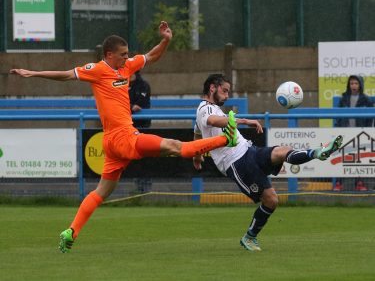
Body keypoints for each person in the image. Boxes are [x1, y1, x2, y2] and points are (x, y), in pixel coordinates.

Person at [10, 22, 238, 253]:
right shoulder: (98, 69)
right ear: (109, 55)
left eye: (127, 54)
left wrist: (166, 40)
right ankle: (225, 139)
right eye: (122, 54)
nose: (127, 58)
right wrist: (33, 73)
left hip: (112, 142)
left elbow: (151, 56)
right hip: (122, 137)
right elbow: (67, 75)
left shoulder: (127, 67)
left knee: (101, 192)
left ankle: (71, 232)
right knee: (176, 147)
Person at [193, 74, 343, 252]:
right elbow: (212, 121)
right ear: (212, 88)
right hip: (235, 163)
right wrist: (243, 120)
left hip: (248, 150)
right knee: (271, 200)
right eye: (224, 91)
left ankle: (318, 152)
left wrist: (196, 155)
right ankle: (249, 237)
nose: (226, 96)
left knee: (281, 151)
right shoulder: (206, 109)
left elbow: (197, 131)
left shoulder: (209, 109)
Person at [334, 75, 373, 191]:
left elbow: (370, 118)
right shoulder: (343, 99)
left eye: (356, 83)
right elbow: (338, 116)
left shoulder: (366, 99)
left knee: (359, 159)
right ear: (348, 85)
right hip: (345, 132)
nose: (354, 86)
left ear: (360, 85)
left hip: (359, 132)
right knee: (341, 159)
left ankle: (359, 183)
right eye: (351, 83)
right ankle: (338, 183)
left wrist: (366, 130)